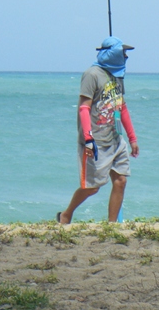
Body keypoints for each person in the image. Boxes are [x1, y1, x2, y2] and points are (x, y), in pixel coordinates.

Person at [57, 37, 139, 224]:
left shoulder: (118, 76)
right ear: (113, 54)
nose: (126, 57)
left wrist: (132, 138)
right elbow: (84, 108)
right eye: (123, 53)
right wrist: (88, 139)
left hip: (116, 139)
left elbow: (122, 107)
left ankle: (112, 225)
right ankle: (66, 214)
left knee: (121, 181)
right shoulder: (92, 74)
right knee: (92, 188)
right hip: (96, 141)